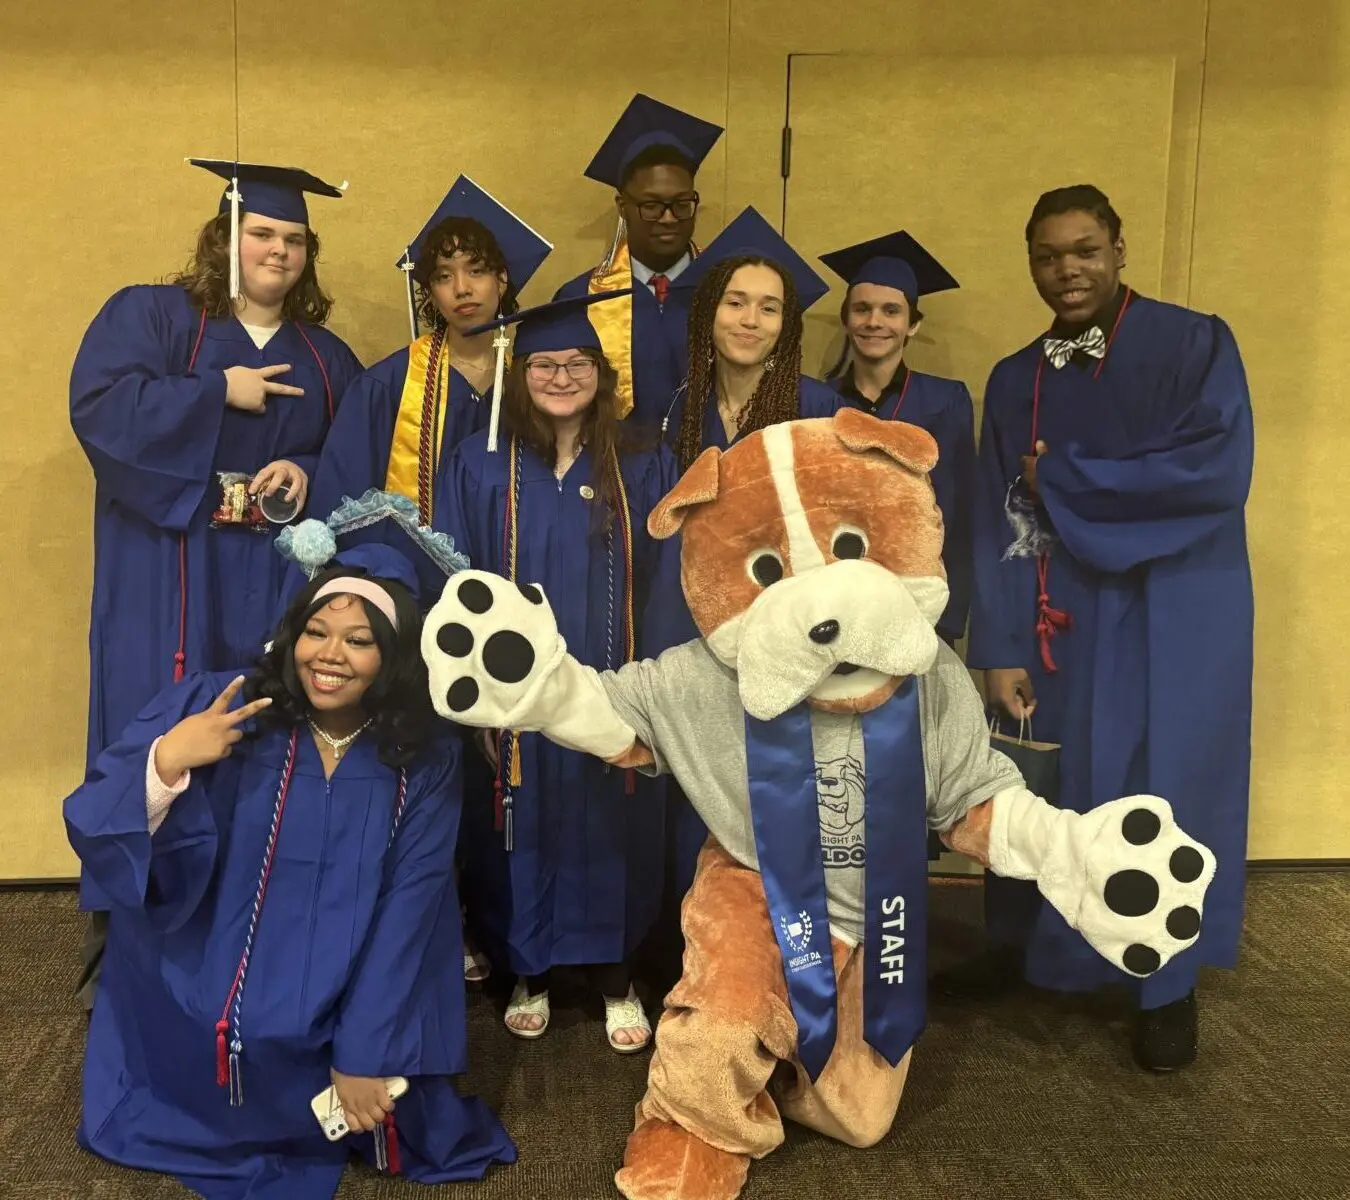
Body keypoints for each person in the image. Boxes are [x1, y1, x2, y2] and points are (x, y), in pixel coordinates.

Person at [64, 533, 517, 1200]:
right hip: (215, 971)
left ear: (392, 655)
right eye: (315, 631)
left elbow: (411, 907)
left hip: (349, 980)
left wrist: (365, 1051)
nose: (330, 655)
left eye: (359, 640)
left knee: (396, 1104)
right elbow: (94, 817)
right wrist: (168, 760)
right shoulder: (228, 705)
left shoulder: (423, 756)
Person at [953, 184, 1254, 1071]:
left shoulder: (1195, 343)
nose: (1067, 270)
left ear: (1119, 247)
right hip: (1064, 614)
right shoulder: (1018, 378)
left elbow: (1215, 470)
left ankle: (1166, 984)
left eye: (1084, 250)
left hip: (1177, 608)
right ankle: (1032, 955)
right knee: (1049, 782)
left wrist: (1072, 478)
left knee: (1166, 785)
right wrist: (1000, 643)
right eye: (1048, 256)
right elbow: (998, 516)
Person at [70, 158, 364, 1013]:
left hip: (274, 577)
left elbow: (360, 459)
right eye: (262, 234)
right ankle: (123, 934)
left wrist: (309, 471)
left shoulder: (327, 355)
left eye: (294, 240)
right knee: (156, 722)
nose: (278, 250)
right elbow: (101, 408)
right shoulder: (154, 317)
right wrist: (214, 393)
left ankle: (253, 922)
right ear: (226, 238)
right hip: (170, 565)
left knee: (268, 726)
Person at [435, 292, 682, 1053]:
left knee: (613, 822)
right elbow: (455, 577)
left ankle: (616, 978)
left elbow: (673, 576)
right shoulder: (478, 462)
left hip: (615, 687)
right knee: (516, 822)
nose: (562, 376)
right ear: (520, 371)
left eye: (579, 363)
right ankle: (528, 972)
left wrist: (655, 696)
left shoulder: (644, 460)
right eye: (545, 363)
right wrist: (479, 696)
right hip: (517, 695)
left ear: (602, 375)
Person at [307, 176, 552, 527]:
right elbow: (343, 508)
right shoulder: (386, 387)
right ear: (431, 293)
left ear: (501, 280)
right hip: (409, 570)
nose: (462, 288)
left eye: (476, 270)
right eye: (443, 276)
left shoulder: (530, 384)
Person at [820, 230, 975, 647]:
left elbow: (959, 515)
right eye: (862, 309)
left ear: (912, 325)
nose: (875, 322)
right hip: (835, 603)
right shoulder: (817, 401)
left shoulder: (946, 401)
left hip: (919, 606)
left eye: (891, 311)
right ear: (846, 318)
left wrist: (947, 619)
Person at [552, 93, 724, 429]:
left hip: (713, 467)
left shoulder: (727, 293)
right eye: (651, 205)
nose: (668, 218)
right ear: (622, 207)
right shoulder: (580, 299)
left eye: (681, 203)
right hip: (613, 472)